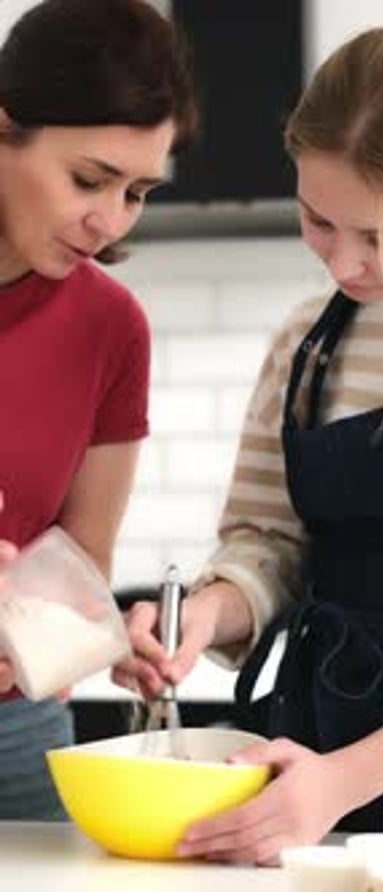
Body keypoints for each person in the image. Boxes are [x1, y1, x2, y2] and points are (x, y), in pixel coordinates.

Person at [117, 25, 383, 862]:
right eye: (319, 220)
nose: (348, 265)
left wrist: (341, 782)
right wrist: (205, 616)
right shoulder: (308, 342)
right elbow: (269, 542)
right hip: (308, 755)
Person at [0, 0, 195, 819]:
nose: (108, 219)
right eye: (89, 179)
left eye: (137, 192)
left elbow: (77, 566)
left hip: (17, 735)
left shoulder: (112, 328)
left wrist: (106, 636)